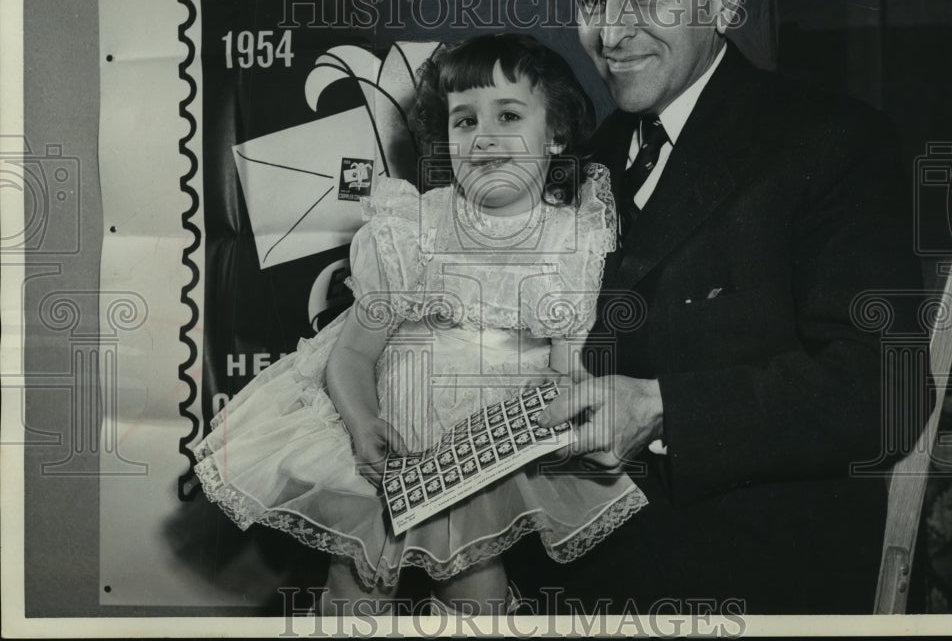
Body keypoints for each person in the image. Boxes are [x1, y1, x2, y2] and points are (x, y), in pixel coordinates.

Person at [527, 0, 932, 614]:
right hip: (581, 542)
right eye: (593, 0)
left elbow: (887, 388)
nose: (611, 33)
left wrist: (662, 409)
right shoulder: (588, 157)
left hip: (744, 575)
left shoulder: (831, 141)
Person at [192, 33, 648, 617]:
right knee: (359, 578)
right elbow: (351, 355)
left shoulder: (572, 239)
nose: (483, 137)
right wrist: (364, 427)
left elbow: (567, 370)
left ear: (555, 132)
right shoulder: (413, 229)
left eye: (509, 116)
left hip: (486, 448)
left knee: (474, 587)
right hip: (391, 436)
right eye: (465, 120)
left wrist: (556, 426)